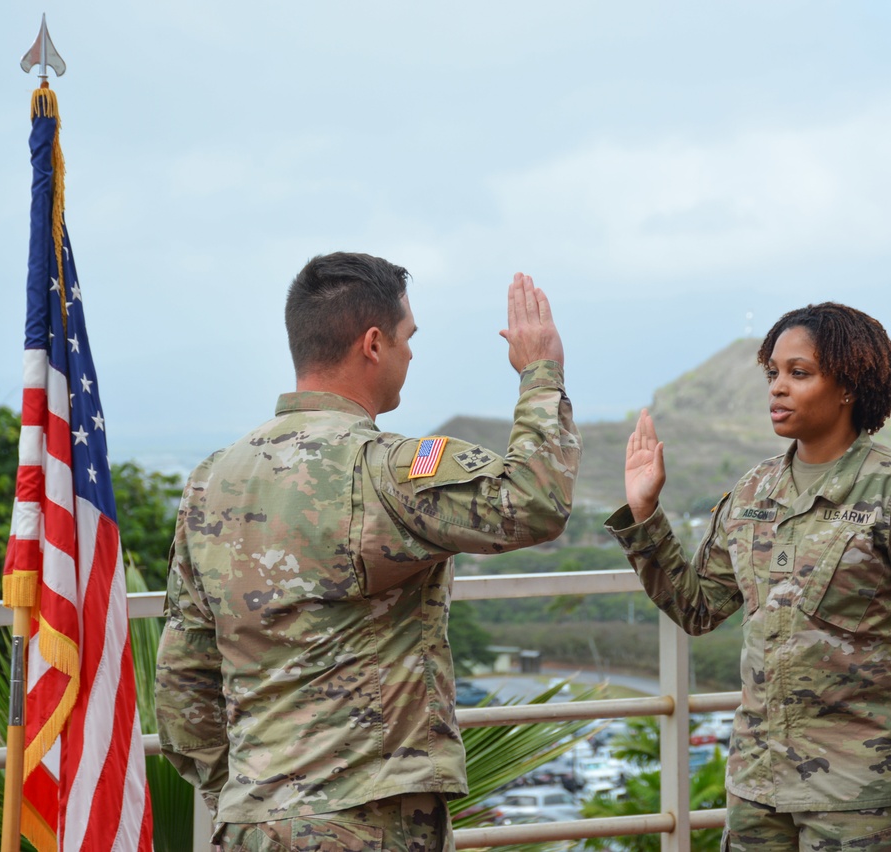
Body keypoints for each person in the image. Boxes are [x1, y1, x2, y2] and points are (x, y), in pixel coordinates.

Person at [154, 253, 581, 852]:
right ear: (373, 343)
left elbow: (183, 682)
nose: (411, 354)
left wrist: (254, 795)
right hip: (368, 820)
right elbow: (534, 503)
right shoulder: (386, 470)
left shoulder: (211, 480)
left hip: (251, 822)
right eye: (409, 338)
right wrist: (540, 371)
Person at [606, 303, 891, 852]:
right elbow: (698, 607)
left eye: (799, 373)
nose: (778, 389)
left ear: (849, 386)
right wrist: (645, 514)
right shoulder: (753, 491)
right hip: (757, 792)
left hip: (861, 798)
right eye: (773, 374)